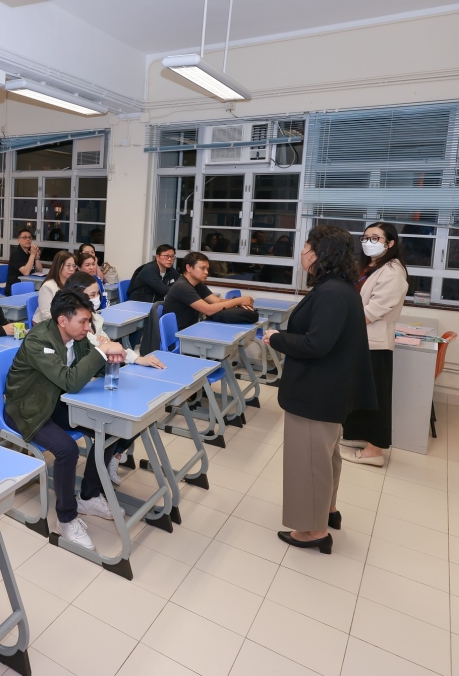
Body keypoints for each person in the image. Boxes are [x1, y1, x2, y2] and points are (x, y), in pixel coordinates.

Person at [262, 225, 375, 554]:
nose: (302, 252)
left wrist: (277, 338)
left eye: (307, 246)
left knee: (309, 462)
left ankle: (313, 531)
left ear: (319, 254)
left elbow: (316, 344)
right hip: (329, 390)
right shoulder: (341, 288)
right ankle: (327, 510)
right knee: (326, 457)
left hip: (316, 392)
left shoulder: (330, 293)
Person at [4, 290, 129, 550]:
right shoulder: (38, 340)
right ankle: (66, 518)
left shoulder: (77, 337)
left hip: (55, 402)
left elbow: (91, 365)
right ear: (62, 320)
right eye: (83, 321)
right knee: (67, 450)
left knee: (110, 429)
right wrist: (101, 352)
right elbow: (70, 381)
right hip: (26, 408)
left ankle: (89, 495)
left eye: (89, 321)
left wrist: (113, 357)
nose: (88, 327)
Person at [62, 272, 166, 482]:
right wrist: (104, 346)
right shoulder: (72, 325)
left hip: (92, 380)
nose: (96, 298)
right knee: (118, 421)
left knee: (139, 412)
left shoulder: (96, 319)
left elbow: (112, 347)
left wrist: (138, 359)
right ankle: (97, 479)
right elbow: (101, 350)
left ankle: (115, 454)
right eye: (91, 294)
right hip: (76, 387)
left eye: (97, 294)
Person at [340, 222, 408, 467]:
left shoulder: (393, 271)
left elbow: (371, 312)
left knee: (376, 396)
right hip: (361, 341)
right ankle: (358, 435)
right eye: (366, 237)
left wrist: (339, 321)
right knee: (359, 393)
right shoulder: (369, 267)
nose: (369, 242)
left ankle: (375, 451)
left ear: (390, 243)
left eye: (376, 238)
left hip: (375, 343)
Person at [163, 252, 255, 330]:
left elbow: (217, 301)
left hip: (191, 329)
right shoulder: (182, 286)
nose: (206, 272)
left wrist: (240, 302)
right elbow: (208, 310)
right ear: (189, 268)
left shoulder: (198, 284)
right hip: (179, 334)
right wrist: (238, 301)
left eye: (207, 269)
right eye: (202, 268)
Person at [33, 251, 76, 324]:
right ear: (58, 266)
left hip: (66, 322)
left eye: (74, 266)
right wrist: (68, 322)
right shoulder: (48, 286)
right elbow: (46, 315)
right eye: (68, 265)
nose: (72, 269)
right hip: (47, 324)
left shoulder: (73, 284)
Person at [5, 228, 42, 296]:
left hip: (29, 284)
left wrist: (37, 258)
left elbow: (39, 271)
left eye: (29, 237)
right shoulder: (15, 254)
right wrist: (32, 255)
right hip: (15, 287)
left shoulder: (30, 251)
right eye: (25, 237)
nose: (28, 239)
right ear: (19, 240)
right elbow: (26, 272)